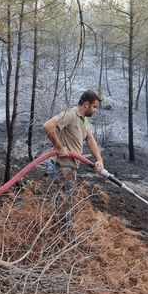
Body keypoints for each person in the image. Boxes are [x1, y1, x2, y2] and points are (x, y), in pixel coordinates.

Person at [43, 90, 105, 234]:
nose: (95, 110)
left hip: (70, 168)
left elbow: (90, 139)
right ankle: (63, 237)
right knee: (65, 203)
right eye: (94, 107)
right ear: (86, 104)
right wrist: (59, 147)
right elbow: (47, 126)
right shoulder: (71, 114)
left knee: (65, 201)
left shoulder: (84, 119)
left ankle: (58, 233)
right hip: (62, 167)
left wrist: (99, 160)